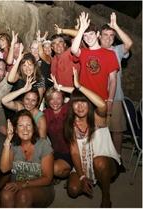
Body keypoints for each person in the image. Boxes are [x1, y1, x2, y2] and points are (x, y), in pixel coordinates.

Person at [63, 69, 120, 208]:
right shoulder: (71, 124)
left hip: (105, 162)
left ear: (89, 104)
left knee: (99, 162)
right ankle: (83, 178)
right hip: (84, 164)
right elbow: (75, 152)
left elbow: (101, 105)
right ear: (72, 106)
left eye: (84, 102)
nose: (80, 106)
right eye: (76, 103)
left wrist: (79, 86)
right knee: (73, 190)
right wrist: (81, 176)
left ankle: (106, 195)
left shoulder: (98, 118)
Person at [0, 109, 55, 207]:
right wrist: (8, 141)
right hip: (17, 185)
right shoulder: (13, 146)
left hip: (41, 188)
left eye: (28, 125)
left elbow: (48, 178)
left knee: (23, 195)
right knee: (6, 194)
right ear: (15, 130)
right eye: (21, 125)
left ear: (34, 128)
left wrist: (22, 184)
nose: (25, 129)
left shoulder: (43, 144)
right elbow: (4, 169)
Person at [99, 12, 133, 167]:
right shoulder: (93, 50)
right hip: (97, 98)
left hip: (116, 97)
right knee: (98, 131)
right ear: (99, 36)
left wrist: (116, 27)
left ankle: (117, 159)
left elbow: (129, 44)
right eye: (105, 35)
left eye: (111, 35)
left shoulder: (117, 50)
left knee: (117, 131)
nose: (108, 38)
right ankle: (100, 158)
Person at [71, 12, 119, 115]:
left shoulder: (110, 54)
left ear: (97, 35)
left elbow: (113, 80)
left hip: (101, 100)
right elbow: (74, 49)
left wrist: (110, 100)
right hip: (84, 99)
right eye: (85, 36)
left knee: (100, 130)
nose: (88, 38)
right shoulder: (83, 52)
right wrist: (81, 30)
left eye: (91, 34)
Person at [44, 86, 73, 179]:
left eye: (58, 98)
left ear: (63, 99)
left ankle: (72, 172)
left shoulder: (68, 108)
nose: (55, 102)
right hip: (54, 151)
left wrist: (61, 87)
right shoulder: (46, 113)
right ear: (48, 100)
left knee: (55, 169)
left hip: (71, 152)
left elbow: (79, 93)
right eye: (52, 99)